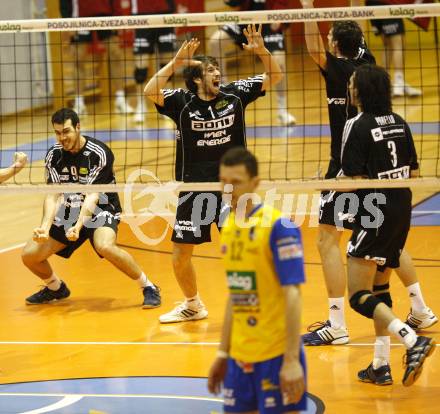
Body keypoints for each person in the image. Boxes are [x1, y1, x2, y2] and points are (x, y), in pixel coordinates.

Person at [299, 0, 436, 346]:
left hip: (350, 162)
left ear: (334, 46)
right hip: (382, 163)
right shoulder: (369, 65)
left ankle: (337, 323)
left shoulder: (342, 72)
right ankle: (420, 308)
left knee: (326, 237)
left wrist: (304, 9)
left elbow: (314, 48)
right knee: (387, 239)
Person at [144, 24, 283, 323]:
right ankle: (193, 305)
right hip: (195, 188)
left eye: (218, 69)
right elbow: (149, 90)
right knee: (181, 254)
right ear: (196, 79)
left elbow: (276, 76)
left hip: (232, 189)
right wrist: (176, 63)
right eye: (210, 70)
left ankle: (259, 304)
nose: (217, 73)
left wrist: (260, 51)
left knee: (244, 250)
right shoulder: (181, 103)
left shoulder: (234, 95)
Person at [341, 64, 435, 386]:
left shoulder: (356, 124)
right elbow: (413, 173)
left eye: (352, 83)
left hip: (373, 208)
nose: (349, 88)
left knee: (357, 295)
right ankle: (380, 365)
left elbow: (353, 181)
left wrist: (326, 186)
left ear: (361, 90)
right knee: (380, 288)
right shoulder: (400, 122)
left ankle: (412, 340)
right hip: (401, 207)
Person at [21, 108, 161, 308]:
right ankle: (55, 288)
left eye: (66, 131)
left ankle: (148, 287)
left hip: (101, 208)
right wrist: (44, 226)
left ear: (78, 127)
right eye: (58, 133)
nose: (62, 137)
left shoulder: (98, 153)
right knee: (29, 256)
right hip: (70, 209)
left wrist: (78, 227)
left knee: (105, 245)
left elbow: (92, 195)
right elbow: (52, 194)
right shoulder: (54, 155)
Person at [208, 147, 306, 413]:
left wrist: (291, 359)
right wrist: (222, 352)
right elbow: (235, 295)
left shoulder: (279, 227)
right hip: (240, 357)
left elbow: (293, 295)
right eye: (223, 182)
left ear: (255, 183)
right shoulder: (229, 226)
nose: (229, 189)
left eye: (236, 182)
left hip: (275, 356)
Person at [209, 0, 296, 126]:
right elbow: (234, 3)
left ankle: (282, 111)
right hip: (246, 19)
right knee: (215, 41)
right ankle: (224, 92)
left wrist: (279, 16)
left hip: (269, 21)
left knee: (279, 63)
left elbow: (283, 4)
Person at [59, 0, 133, 115]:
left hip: (105, 14)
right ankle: (79, 104)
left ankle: (120, 99)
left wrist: (118, 17)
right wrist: (67, 21)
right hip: (79, 15)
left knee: (115, 54)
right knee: (78, 58)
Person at [354, 0, 422, 97]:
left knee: (388, 45)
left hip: (372, 4)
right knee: (398, 44)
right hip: (387, 3)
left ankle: (383, 84)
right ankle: (399, 82)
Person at [131, 0, 176, 123]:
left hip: (165, 15)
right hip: (141, 16)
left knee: (167, 66)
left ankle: (166, 104)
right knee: (141, 69)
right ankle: (141, 106)